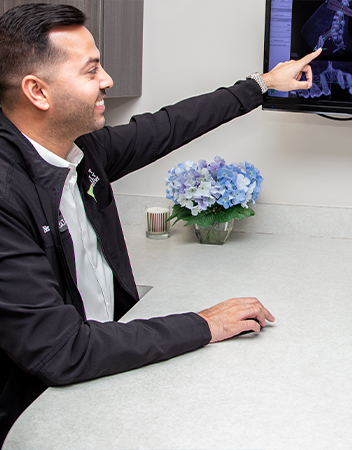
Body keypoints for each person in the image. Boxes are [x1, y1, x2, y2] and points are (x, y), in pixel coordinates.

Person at [0, 3, 322, 444]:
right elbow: (62, 351)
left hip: (106, 370)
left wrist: (261, 85)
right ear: (38, 92)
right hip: (39, 414)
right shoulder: (5, 192)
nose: (107, 80)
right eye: (91, 70)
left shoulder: (82, 151)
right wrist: (204, 323)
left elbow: (167, 126)